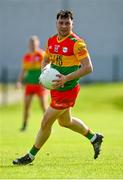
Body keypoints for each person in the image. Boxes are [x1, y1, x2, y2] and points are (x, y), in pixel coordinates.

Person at [13, 10, 104, 165]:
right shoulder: (51, 41)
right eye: (61, 23)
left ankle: (30, 156)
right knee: (65, 122)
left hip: (67, 90)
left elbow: (88, 68)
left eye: (67, 23)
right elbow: (46, 59)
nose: (64, 26)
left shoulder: (77, 43)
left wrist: (66, 78)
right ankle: (94, 138)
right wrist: (43, 74)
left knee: (45, 122)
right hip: (56, 89)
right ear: (56, 23)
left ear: (72, 24)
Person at [16, 36, 48, 131]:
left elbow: (47, 68)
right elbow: (23, 70)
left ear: (38, 43)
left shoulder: (42, 54)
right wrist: (19, 81)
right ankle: (24, 125)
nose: (33, 45)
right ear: (29, 44)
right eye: (31, 43)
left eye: (34, 43)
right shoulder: (26, 56)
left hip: (40, 85)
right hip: (29, 85)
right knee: (26, 106)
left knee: (44, 106)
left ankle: (47, 126)